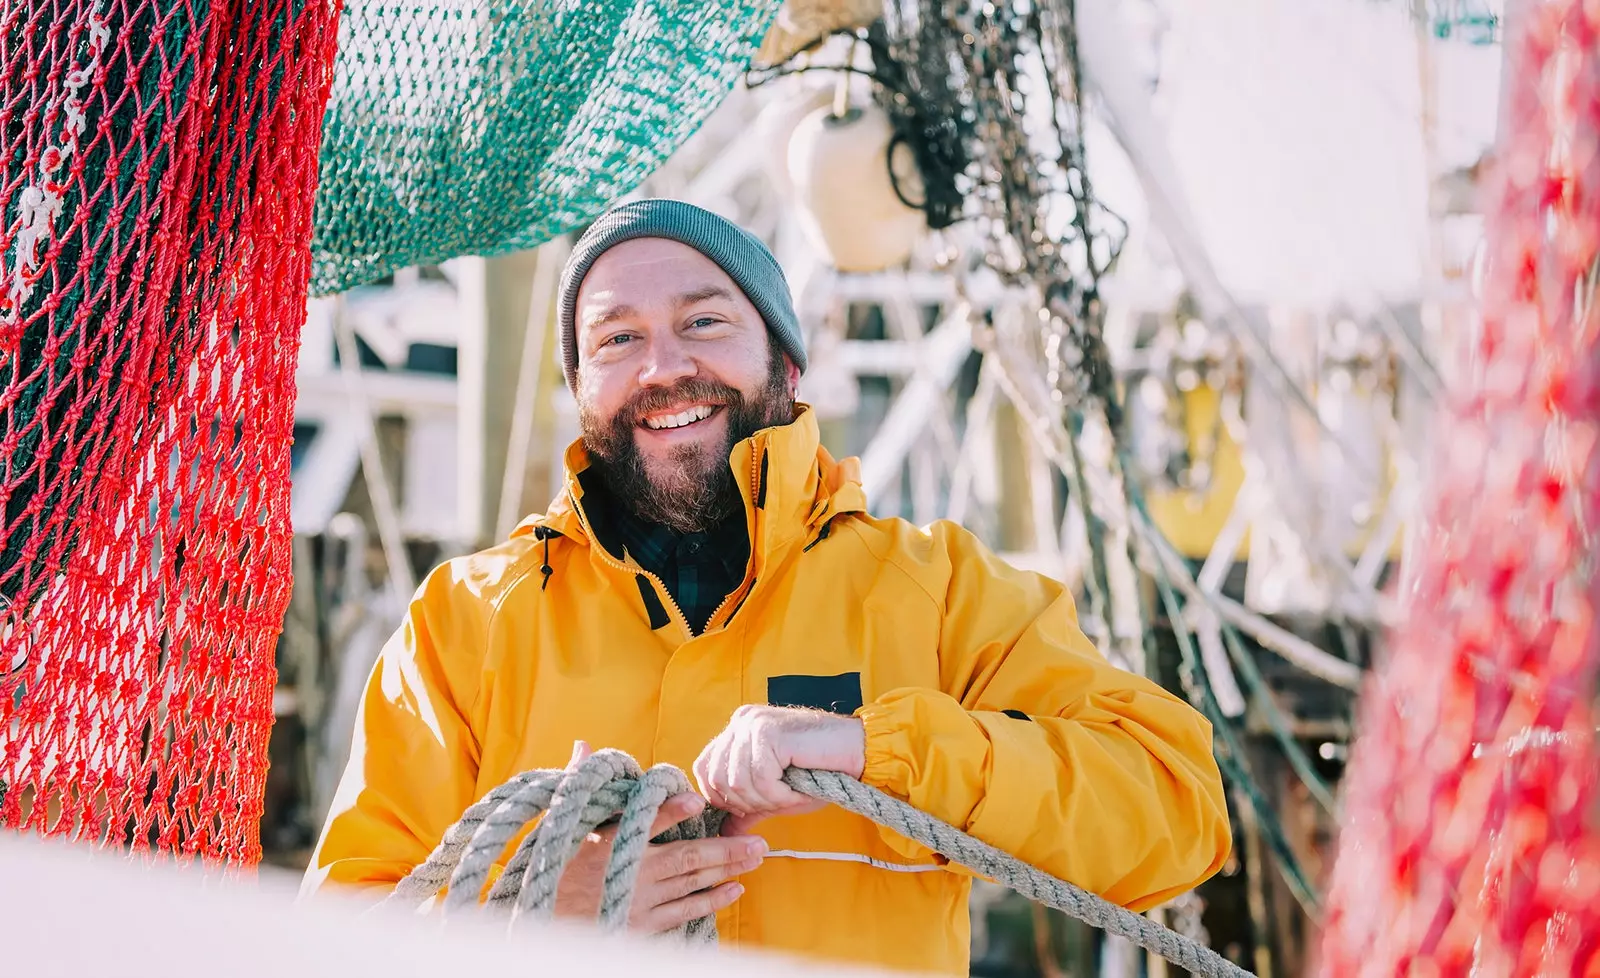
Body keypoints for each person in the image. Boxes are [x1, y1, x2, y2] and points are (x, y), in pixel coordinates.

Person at [302, 198, 1232, 975]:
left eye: (704, 322)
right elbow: (333, 936)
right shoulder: (466, 625)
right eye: (618, 339)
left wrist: (881, 749)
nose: (665, 367)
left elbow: (1174, 810)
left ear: (787, 364)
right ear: (582, 390)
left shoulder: (936, 589)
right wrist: (531, 916)